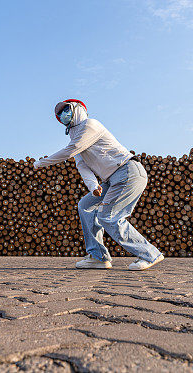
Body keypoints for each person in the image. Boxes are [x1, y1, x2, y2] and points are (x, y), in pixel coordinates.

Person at [33, 98, 164, 270]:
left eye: (66, 109)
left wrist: (42, 162)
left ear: (78, 109)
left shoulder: (90, 125)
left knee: (108, 217)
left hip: (128, 172)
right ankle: (98, 256)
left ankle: (149, 254)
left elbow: (70, 151)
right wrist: (94, 187)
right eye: (59, 114)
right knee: (85, 205)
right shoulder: (77, 140)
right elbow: (83, 167)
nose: (63, 114)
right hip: (112, 179)